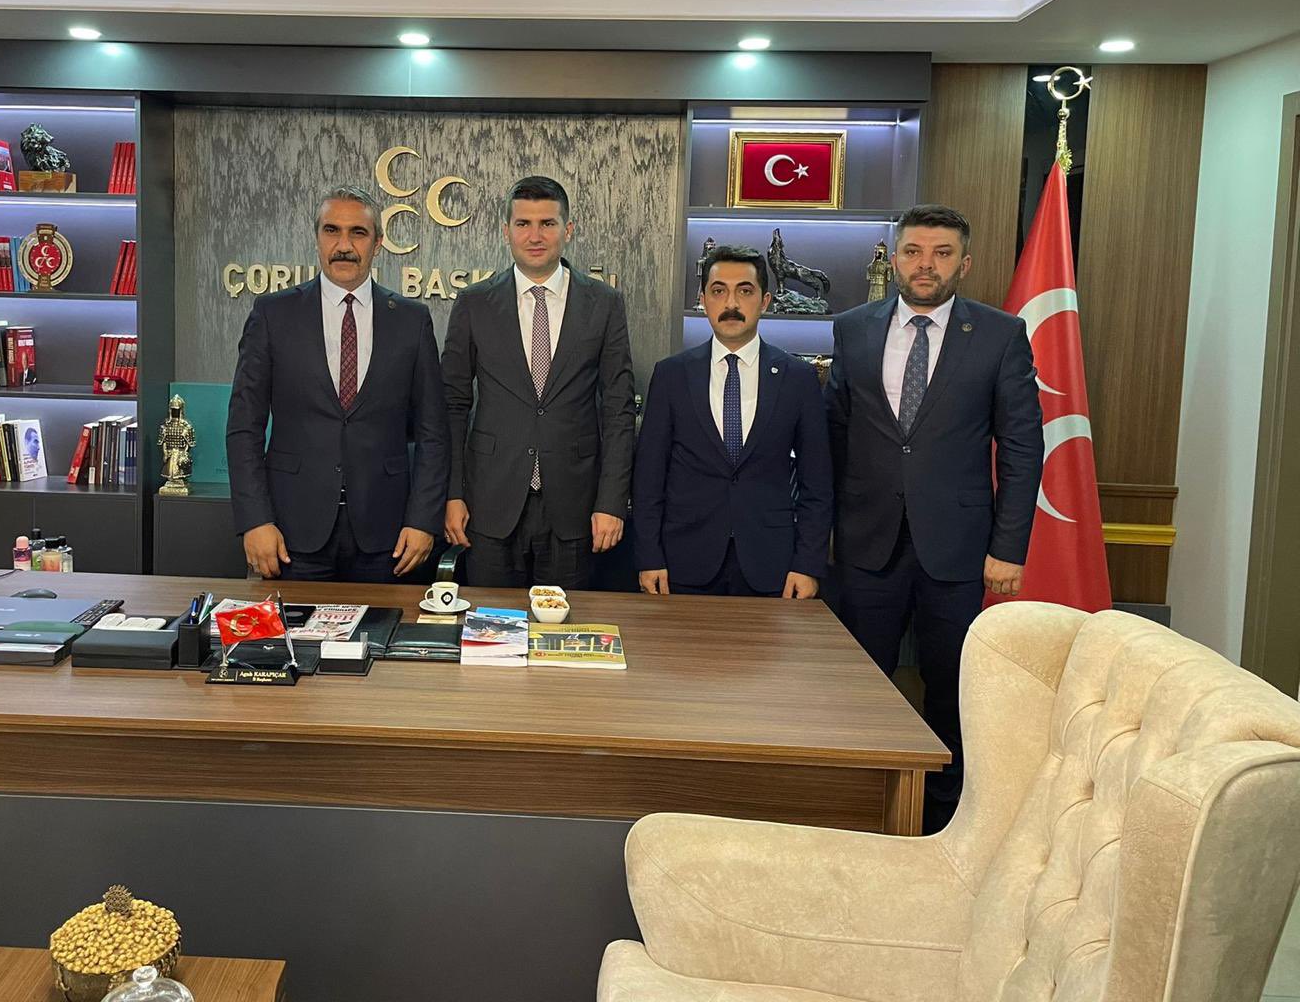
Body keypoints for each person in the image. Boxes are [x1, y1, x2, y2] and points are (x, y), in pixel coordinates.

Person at [825, 203, 1042, 832]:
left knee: (951, 692)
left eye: (942, 253)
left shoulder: (1000, 335)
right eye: (914, 252)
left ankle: (943, 823)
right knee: (861, 685)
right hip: (867, 544)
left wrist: (1009, 547)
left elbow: (1023, 447)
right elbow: (836, 434)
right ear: (895, 259)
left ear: (964, 264)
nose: (926, 265)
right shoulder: (853, 329)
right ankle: (861, 809)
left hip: (959, 548)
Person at [226, 186, 447, 582]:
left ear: (378, 243)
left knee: (385, 626)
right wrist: (255, 519)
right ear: (317, 238)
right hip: (291, 533)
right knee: (294, 627)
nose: (344, 245)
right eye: (332, 230)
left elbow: (434, 431)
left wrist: (423, 520)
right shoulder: (273, 314)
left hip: (389, 535)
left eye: (358, 233)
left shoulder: (411, 320)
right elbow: (244, 426)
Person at [441, 175, 636, 589]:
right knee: (490, 622)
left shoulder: (604, 303)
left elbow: (619, 409)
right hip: (489, 502)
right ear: (506, 231)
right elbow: (453, 405)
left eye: (547, 223)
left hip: (576, 505)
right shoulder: (474, 302)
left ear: (568, 229)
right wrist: (452, 493)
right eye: (523, 224)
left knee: (568, 626)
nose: (535, 236)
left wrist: (612, 501)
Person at [633, 244, 832, 597]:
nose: (731, 304)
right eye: (718, 291)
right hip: (683, 562)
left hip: (772, 565)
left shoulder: (798, 378)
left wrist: (807, 564)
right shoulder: (672, 375)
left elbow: (816, 483)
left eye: (745, 291)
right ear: (703, 300)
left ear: (765, 300)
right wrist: (649, 556)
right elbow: (649, 477)